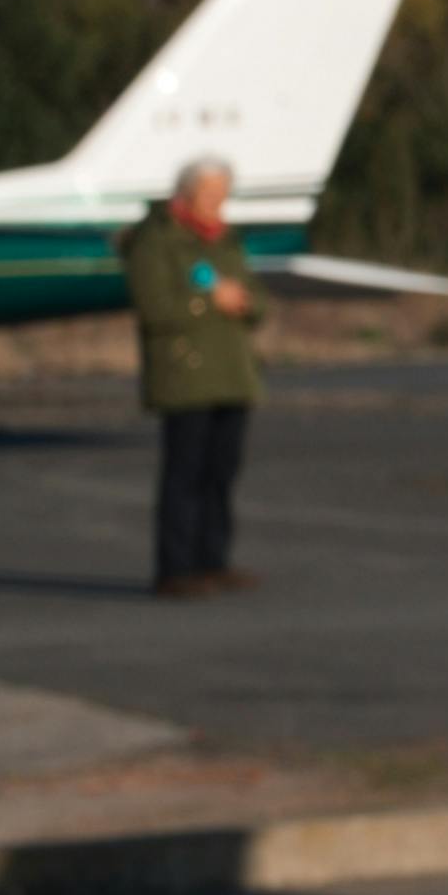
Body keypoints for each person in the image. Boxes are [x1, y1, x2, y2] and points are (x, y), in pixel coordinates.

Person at [118, 153, 264, 597]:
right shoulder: (155, 240)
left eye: (222, 195)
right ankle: (174, 569)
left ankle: (212, 561)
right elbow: (154, 307)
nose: (217, 203)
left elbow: (257, 300)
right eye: (209, 194)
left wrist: (245, 303)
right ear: (186, 193)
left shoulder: (227, 240)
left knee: (222, 473)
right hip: (184, 375)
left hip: (232, 374)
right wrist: (209, 302)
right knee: (184, 474)